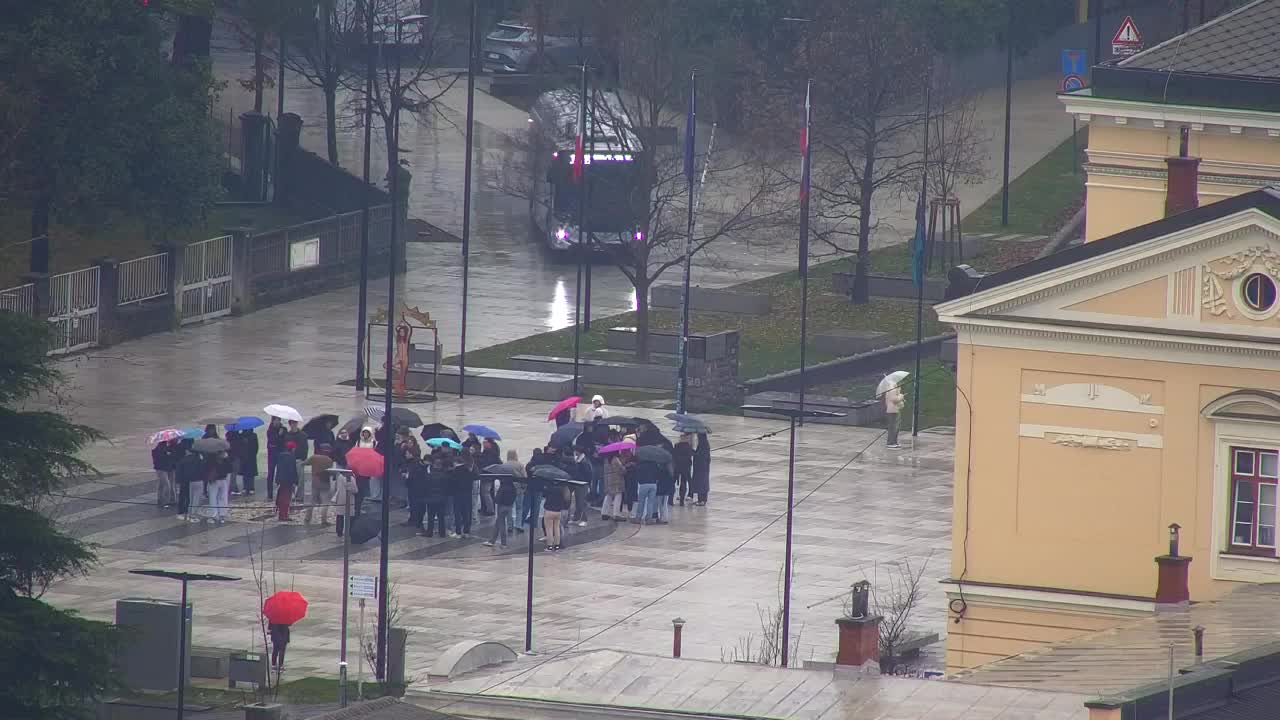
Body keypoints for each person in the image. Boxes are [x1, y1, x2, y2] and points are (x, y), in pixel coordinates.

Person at [485, 471, 517, 548]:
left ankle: (503, 543)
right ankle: (492, 541)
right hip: (509, 506)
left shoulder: (502, 488)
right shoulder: (513, 487)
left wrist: (495, 499)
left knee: (501, 524)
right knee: (498, 523)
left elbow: (497, 499)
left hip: (501, 507)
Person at [304, 445, 335, 525]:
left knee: (312, 501)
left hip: (315, 481)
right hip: (325, 482)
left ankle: (307, 518)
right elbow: (331, 472)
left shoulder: (314, 457)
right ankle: (323, 520)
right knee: (325, 502)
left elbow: (305, 463)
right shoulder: (329, 460)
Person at [450, 455, 477, 538]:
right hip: (467, 494)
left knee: (457, 513)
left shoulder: (455, 471)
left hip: (457, 494)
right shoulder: (469, 470)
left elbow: (452, 483)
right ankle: (466, 532)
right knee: (467, 513)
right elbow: (475, 478)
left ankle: (458, 532)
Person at [423, 455, 450, 538]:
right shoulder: (445, 476)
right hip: (441, 498)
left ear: (434, 465)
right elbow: (447, 487)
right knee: (441, 516)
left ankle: (429, 532)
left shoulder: (429, 475)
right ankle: (442, 533)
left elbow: (425, 487)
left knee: (431, 516)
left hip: (431, 498)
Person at [283, 420, 309, 505]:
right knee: (290, 479)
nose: (294, 425)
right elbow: (285, 447)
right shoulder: (287, 435)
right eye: (292, 423)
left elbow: (305, 447)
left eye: (295, 423)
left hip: (299, 459)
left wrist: (304, 458)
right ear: (290, 424)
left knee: (300, 479)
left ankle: (300, 496)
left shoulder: (303, 435)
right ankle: (291, 495)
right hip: (289, 460)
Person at [630, 457, 661, 526]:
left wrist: (640, 481)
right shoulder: (655, 465)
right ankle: (649, 519)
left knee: (641, 502)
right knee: (650, 503)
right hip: (653, 485)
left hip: (643, 484)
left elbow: (637, 475)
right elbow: (658, 475)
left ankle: (638, 518)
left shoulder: (641, 465)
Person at [274, 441, 300, 521]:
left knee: (281, 497)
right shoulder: (291, 457)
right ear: (292, 448)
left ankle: (281, 514)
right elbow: (292, 470)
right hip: (288, 480)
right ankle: (284, 515)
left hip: (281, 479)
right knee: (286, 499)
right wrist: (296, 481)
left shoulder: (280, 456)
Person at [174, 440, 200, 518]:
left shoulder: (182, 460)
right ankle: (187, 511)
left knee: (183, 496)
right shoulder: (196, 459)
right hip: (192, 480)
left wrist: (178, 481)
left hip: (184, 480)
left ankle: (181, 511)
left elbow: (179, 471)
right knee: (189, 497)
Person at [207, 451, 233, 525]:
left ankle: (214, 515)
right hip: (223, 480)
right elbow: (230, 469)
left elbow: (207, 469)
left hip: (214, 481)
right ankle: (222, 515)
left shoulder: (211, 459)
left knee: (213, 498)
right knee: (222, 498)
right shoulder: (225, 459)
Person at [331, 470, 358, 538]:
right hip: (349, 498)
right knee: (350, 515)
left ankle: (339, 531)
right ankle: (349, 530)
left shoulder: (339, 477)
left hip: (340, 497)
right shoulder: (351, 478)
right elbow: (355, 490)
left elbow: (336, 487)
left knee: (340, 515)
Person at [541, 483, 569, 551]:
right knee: (557, 529)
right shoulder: (563, 488)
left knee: (549, 530)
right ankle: (557, 546)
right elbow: (566, 499)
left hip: (549, 511)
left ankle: (549, 546)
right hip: (558, 511)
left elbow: (543, 495)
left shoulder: (549, 487)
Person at [405, 454, 429, 532]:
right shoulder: (417, 466)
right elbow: (410, 477)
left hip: (421, 490)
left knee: (420, 507)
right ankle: (415, 521)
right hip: (415, 489)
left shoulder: (423, 467)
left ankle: (418, 521)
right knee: (414, 505)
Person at [601, 450, 626, 520]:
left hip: (608, 481)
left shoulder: (606, 460)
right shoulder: (616, 459)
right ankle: (616, 514)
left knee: (608, 496)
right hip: (617, 481)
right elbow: (622, 470)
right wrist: (624, 466)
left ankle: (604, 513)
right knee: (618, 496)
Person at [265, 417, 286, 499]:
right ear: (273, 421)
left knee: (280, 474)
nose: (277, 422)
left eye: (278, 420)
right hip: (272, 454)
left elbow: (284, 441)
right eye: (275, 420)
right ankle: (269, 494)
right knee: (270, 474)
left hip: (281, 453)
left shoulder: (283, 429)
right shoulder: (270, 430)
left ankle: (280, 493)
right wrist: (278, 435)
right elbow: (272, 440)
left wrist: (281, 435)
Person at [152, 439, 176, 508]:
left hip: (161, 469)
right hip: (162, 469)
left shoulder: (158, 450)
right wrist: (168, 454)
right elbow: (163, 459)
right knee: (166, 485)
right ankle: (165, 501)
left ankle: (160, 500)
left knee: (161, 485)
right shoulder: (161, 451)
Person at [571, 448, 592, 526]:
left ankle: (584, 519)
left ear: (578, 451)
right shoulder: (578, 460)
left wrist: (588, 484)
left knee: (582, 502)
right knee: (577, 502)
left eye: (575, 450)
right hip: (577, 483)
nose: (574, 452)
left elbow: (588, 474)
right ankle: (576, 518)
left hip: (583, 484)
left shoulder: (584, 461)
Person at [884, 376, 905, 449]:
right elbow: (894, 399)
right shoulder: (892, 387)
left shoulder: (895, 387)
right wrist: (901, 396)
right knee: (893, 427)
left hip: (896, 409)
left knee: (896, 427)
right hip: (892, 410)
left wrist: (899, 394)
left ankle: (894, 442)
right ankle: (890, 442)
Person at [673, 433, 694, 505]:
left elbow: (674, 455)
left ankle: (670, 498)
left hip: (677, 467)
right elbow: (691, 454)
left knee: (673, 481)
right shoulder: (688, 446)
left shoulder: (676, 445)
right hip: (686, 467)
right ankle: (682, 500)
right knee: (683, 482)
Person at [691, 433, 711, 506]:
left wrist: (693, 452)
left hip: (702, 468)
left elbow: (701, 455)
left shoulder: (704, 445)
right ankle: (700, 499)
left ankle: (703, 500)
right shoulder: (703, 444)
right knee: (700, 483)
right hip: (701, 468)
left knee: (702, 483)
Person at [238, 428, 259, 495]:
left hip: (251, 456)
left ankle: (251, 488)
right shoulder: (241, 435)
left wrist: (248, 442)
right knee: (244, 473)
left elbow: (256, 446)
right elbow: (239, 445)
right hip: (243, 456)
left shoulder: (254, 435)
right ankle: (245, 487)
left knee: (251, 473)